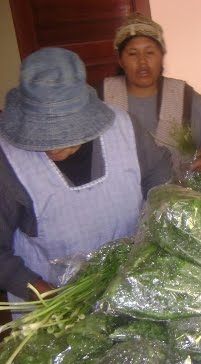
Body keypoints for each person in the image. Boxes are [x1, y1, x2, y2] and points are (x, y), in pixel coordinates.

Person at [0, 47, 172, 302]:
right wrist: (42, 292)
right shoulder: (8, 161)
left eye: (63, 136)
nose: (51, 147)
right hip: (54, 299)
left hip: (131, 284)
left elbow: (160, 179)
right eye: (39, 137)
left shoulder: (125, 128)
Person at [103, 12, 201, 179]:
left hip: (176, 197)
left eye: (150, 53)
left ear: (162, 55)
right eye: (132, 54)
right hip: (121, 197)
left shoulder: (184, 96)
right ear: (120, 60)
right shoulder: (101, 96)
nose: (142, 62)